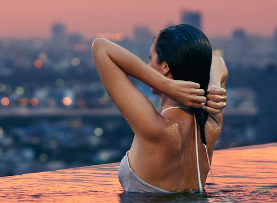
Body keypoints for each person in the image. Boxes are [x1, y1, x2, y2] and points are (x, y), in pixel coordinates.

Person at [91, 25, 227, 193]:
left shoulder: (155, 126)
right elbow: (215, 59)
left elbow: (100, 47)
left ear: (165, 66)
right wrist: (214, 85)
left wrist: (166, 84)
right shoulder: (211, 124)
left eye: (151, 58)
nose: (147, 66)